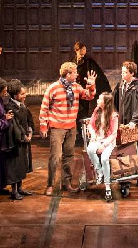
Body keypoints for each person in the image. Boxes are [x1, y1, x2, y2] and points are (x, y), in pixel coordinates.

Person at [39, 62, 98, 196]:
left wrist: (91, 85)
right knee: (55, 157)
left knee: (69, 156)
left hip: (71, 127)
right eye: (75, 73)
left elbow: (89, 96)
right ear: (68, 74)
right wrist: (43, 126)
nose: (77, 75)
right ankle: (50, 184)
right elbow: (44, 108)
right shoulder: (53, 88)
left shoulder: (76, 87)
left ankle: (67, 182)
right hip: (57, 128)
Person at [112, 60, 138, 184]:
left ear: (132, 73)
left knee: (137, 150)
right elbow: (114, 101)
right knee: (123, 150)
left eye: (125, 72)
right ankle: (125, 175)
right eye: (122, 72)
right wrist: (115, 114)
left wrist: (134, 120)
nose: (122, 74)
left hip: (134, 124)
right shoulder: (120, 86)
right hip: (123, 122)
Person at [2, 79, 34, 201]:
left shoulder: (22, 105)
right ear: (15, 95)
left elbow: (28, 119)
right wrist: (23, 136)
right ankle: (14, 191)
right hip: (15, 141)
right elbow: (14, 125)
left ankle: (20, 188)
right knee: (15, 166)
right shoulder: (10, 107)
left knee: (22, 164)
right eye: (22, 94)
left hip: (24, 140)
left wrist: (30, 132)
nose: (25, 96)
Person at [85, 92, 120, 202]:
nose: (97, 100)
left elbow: (114, 134)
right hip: (98, 138)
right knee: (90, 149)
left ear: (106, 102)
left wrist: (104, 146)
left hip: (108, 141)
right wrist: (93, 134)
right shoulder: (97, 111)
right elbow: (90, 124)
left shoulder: (114, 116)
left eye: (100, 99)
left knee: (104, 159)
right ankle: (99, 172)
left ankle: (107, 186)